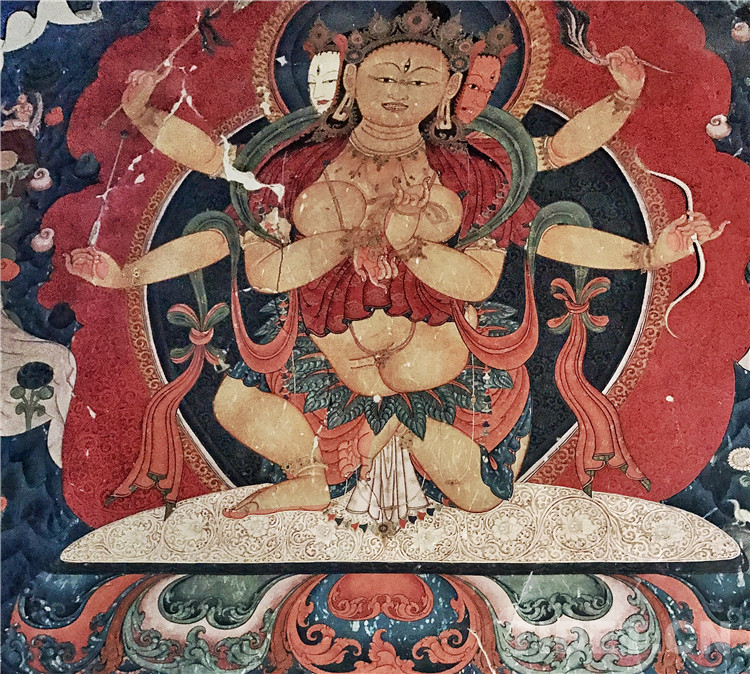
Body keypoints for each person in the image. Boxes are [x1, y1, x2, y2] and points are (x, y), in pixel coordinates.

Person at [67, 2, 724, 518]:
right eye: (384, 75)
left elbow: (545, 213)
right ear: (351, 79)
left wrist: (646, 250)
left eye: (421, 80)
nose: (400, 91)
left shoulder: (467, 170)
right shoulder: (298, 164)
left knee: (480, 498)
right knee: (233, 404)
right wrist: (128, 266)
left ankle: (375, 454)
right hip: (325, 369)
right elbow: (224, 209)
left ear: (448, 89)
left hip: (443, 377)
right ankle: (321, 472)